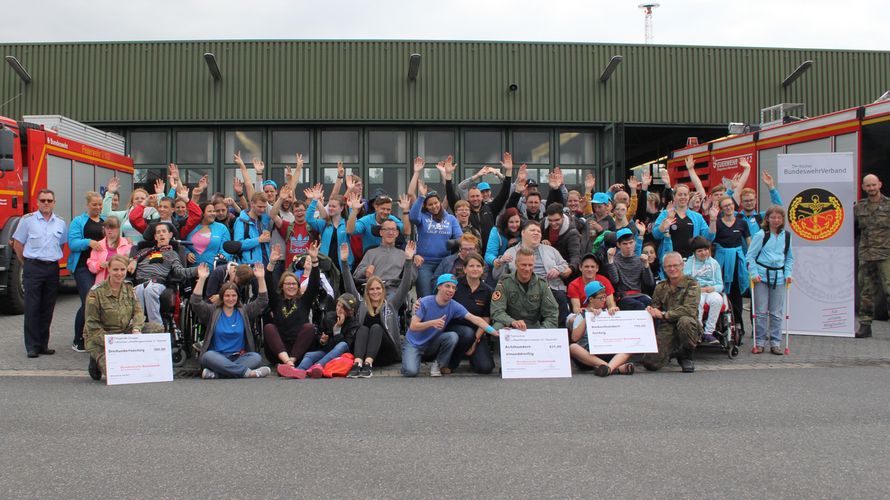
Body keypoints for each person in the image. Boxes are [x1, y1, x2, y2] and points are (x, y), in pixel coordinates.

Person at [342, 242, 417, 378]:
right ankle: (358, 363)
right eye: (372, 289)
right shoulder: (362, 305)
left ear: (383, 291)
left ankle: (368, 365)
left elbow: (405, 285)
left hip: (386, 352)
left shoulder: (391, 304)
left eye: (378, 288)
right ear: (367, 291)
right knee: (363, 328)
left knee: (376, 327)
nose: (375, 291)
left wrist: (408, 260)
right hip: (363, 350)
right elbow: (349, 286)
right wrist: (344, 262)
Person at [83, 255, 164, 381]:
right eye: (115, 270)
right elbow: (92, 325)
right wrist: (113, 342)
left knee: (158, 329)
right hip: (101, 337)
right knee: (115, 374)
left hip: (123, 333)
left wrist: (136, 329)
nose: (119, 273)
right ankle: (96, 359)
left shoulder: (129, 288)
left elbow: (138, 312)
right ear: (108, 269)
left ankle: (137, 358)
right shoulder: (96, 293)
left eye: (122, 270)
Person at [402, 273, 498, 377]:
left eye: (453, 287)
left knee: (452, 336)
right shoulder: (425, 302)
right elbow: (413, 326)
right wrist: (432, 323)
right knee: (411, 372)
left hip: (432, 342)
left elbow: (475, 319)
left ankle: (438, 364)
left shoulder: (454, 305)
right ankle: (409, 360)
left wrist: (494, 332)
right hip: (414, 343)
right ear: (439, 286)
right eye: (447, 286)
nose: (451, 290)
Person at [190, 262, 271, 379]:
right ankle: (247, 373)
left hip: (238, 357)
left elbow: (262, 301)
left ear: (238, 297)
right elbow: (195, 302)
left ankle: (217, 374)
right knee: (207, 356)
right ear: (222, 297)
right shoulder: (212, 311)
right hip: (216, 357)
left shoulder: (244, 311)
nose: (230, 299)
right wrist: (202, 279)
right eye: (227, 296)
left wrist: (261, 278)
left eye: (233, 296)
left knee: (256, 357)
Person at [12, 189, 67, 358]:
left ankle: (43, 344)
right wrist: (27, 263)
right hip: (33, 267)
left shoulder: (60, 223)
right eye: (43, 200)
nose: (46, 203)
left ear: (54, 203)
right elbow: (17, 244)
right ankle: (32, 346)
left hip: (52, 268)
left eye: (49, 200)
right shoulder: (27, 221)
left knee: (47, 307)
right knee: (32, 307)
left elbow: (62, 244)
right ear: (37, 202)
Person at [494, 222, 572, 325]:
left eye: (538, 231)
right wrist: (501, 262)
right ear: (523, 233)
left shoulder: (550, 250)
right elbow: (498, 277)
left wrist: (557, 269)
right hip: (521, 291)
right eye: (532, 230)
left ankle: (558, 333)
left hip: (550, 288)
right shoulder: (510, 252)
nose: (536, 233)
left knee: (560, 297)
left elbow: (564, 265)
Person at [262, 244, 321, 378]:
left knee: (309, 327)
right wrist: (272, 262)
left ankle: (290, 364)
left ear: (298, 286)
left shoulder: (304, 301)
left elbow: (314, 284)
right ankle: (288, 364)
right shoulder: (276, 301)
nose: (291, 286)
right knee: (269, 327)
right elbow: (268, 281)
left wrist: (314, 260)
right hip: (278, 351)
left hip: (299, 350)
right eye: (288, 284)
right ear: (282, 287)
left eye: (294, 284)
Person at [643, 252, 703, 373]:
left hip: (687, 324)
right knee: (650, 363)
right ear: (664, 268)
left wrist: (664, 314)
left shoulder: (692, 284)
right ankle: (672, 351)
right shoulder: (661, 287)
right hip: (667, 326)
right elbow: (656, 306)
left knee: (685, 321)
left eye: (675, 265)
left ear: (682, 265)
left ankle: (686, 356)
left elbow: (689, 309)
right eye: (668, 266)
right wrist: (651, 311)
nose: (672, 269)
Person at [746, 206, 794, 354]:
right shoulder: (761, 235)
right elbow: (750, 256)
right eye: (773, 217)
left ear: (782, 219)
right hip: (761, 275)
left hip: (778, 277)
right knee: (760, 311)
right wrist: (753, 273)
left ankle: (775, 342)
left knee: (776, 312)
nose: (776, 220)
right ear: (767, 219)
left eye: (779, 218)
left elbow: (789, 258)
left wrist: (788, 274)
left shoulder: (786, 236)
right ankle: (760, 342)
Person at [131, 224, 198, 325]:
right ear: (155, 237)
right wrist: (133, 261)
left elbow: (180, 271)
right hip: (140, 282)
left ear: (170, 235)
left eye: (163, 231)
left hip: (156, 283)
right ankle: (137, 327)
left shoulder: (172, 254)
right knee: (137, 291)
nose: (161, 234)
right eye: (158, 232)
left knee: (150, 290)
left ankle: (157, 327)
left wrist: (197, 270)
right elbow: (126, 264)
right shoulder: (143, 252)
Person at [567, 281, 635, 377]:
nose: (604, 300)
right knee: (572, 347)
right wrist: (588, 318)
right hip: (588, 355)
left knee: (631, 345)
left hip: (607, 350)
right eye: (601, 298)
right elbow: (575, 338)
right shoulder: (582, 315)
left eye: (605, 297)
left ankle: (607, 368)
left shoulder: (607, 312)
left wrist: (616, 316)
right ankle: (614, 368)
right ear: (591, 299)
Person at [68, 191, 105, 352]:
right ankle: (78, 339)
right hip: (83, 266)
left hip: (100, 267)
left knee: (100, 303)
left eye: (100, 204)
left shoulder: (104, 221)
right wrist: (88, 242)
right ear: (87, 205)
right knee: (88, 300)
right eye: (94, 204)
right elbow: (72, 243)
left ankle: (95, 336)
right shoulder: (78, 221)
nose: (97, 207)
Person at [447, 252, 495, 374]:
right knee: (467, 333)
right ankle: (452, 363)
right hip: (454, 330)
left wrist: (475, 341)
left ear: (483, 269)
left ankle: (470, 354)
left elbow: (485, 318)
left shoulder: (488, 290)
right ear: (464, 269)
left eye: (478, 266)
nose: (475, 269)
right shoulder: (454, 286)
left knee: (485, 368)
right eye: (471, 266)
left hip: (476, 332)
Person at [854, 174, 890, 338]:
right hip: (866, 255)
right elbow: (854, 231)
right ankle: (865, 325)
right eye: (868, 186)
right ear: (863, 187)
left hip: (886, 255)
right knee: (865, 292)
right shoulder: (859, 207)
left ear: (880, 185)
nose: (871, 188)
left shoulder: (888, 205)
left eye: (874, 185)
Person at [490, 247, 560, 331]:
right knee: (497, 327)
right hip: (510, 325)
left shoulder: (542, 284)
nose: (527, 269)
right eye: (523, 265)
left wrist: (542, 332)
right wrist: (512, 322)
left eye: (530, 265)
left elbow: (552, 314)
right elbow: (497, 311)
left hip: (533, 327)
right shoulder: (504, 282)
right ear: (516, 264)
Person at [410, 189, 462, 297]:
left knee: (444, 294)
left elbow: (460, 237)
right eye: (430, 204)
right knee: (426, 295)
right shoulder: (422, 217)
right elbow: (413, 217)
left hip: (445, 262)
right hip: (424, 263)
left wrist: (451, 243)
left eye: (436, 203)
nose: (434, 206)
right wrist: (421, 197)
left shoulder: (451, 219)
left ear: (440, 202)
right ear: (425, 206)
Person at [711, 194, 751, 337]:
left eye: (730, 205)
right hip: (721, 261)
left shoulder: (742, 223)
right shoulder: (719, 223)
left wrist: (750, 259)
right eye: (725, 206)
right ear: (721, 209)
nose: (728, 207)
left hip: (737, 261)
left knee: (736, 294)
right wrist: (713, 220)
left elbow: (748, 241)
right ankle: (720, 325)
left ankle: (739, 325)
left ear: (734, 206)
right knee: (721, 293)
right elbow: (711, 237)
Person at [652, 184, 715, 261]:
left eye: (685, 194)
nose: (683, 197)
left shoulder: (697, 217)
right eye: (680, 194)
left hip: (691, 260)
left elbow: (709, 237)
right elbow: (656, 235)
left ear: (688, 197)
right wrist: (663, 226)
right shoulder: (665, 213)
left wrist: (713, 220)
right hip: (670, 259)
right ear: (674, 197)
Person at [684, 236, 724, 344]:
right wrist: (697, 288)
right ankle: (698, 330)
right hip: (696, 291)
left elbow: (720, 284)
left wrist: (713, 288)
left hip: (710, 290)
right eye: (699, 251)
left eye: (706, 250)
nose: (703, 253)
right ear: (694, 252)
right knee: (698, 302)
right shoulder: (689, 263)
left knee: (718, 300)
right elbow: (686, 281)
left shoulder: (714, 263)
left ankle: (709, 332)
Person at [305, 185, 353, 272]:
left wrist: (352, 209)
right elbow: (309, 219)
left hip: (344, 267)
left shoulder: (347, 224)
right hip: (326, 267)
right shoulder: (324, 223)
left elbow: (354, 226)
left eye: (334, 206)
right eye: (329, 206)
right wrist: (315, 200)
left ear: (341, 208)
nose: (330, 208)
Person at [352, 218, 408, 293]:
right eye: (387, 229)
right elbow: (356, 275)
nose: (391, 233)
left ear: (397, 233)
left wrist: (413, 262)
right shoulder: (370, 252)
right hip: (374, 290)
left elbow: (410, 279)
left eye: (393, 230)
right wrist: (365, 271)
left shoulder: (403, 254)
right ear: (381, 232)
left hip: (393, 291)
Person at [605, 228, 654, 311]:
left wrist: (646, 265)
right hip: (623, 297)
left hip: (639, 294)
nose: (628, 246)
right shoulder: (615, 260)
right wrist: (610, 260)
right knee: (638, 305)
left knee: (651, 304)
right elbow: (615, 280)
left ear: (635, 242)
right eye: (625, 244)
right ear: (618, 245)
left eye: (631, 243)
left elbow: (649, 282)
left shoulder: (640, 259)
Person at [103, 176, 154, 243]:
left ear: (147, 201)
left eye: (142, 198)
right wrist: (110, 193)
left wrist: (160, 195)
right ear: (132, 202)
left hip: (145, 249)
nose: (139, 200)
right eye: (136, 198)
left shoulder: (152, 214)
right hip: (126, 250)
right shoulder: (125, 214)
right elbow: (107, 214)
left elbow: (165, 213)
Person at [86, 216, 134, 284]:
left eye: (112, 228)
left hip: (122, 283)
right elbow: (91, 265)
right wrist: (100, 265)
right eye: (107, 228)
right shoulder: (98, 245)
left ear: (118, 229)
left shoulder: (127, 244)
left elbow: (132, 262)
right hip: (102, 284)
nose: (109, 230)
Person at [541, 203, 582, 278]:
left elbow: (575, 255)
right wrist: (542, 240)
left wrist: (570, 268)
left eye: (557, 220)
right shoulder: (543, 223)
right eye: (550, 220)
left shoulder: (572, 233)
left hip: (564, 269)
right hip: (546, 267)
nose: (553, 223)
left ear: (562, 217)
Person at [186, 202, 231, 267]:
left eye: (214, 211)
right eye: (210, 211)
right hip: (192, 270)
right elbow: (183, 244)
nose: (213, 214)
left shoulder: (222, 228)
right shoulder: (192, 227)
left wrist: (223, 256)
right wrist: (187, 253)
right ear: (202, 213)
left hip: (215, 270)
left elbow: (226, 248)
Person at [233, 192, 272, 264]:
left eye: (264, 207)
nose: (262, 210)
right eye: (260, 207)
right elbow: (238, 245)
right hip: (249, 267)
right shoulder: (241, 221)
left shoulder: (264, 219)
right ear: (252, 204)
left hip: (266, 264)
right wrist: (258, 240)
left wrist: (267, 238)